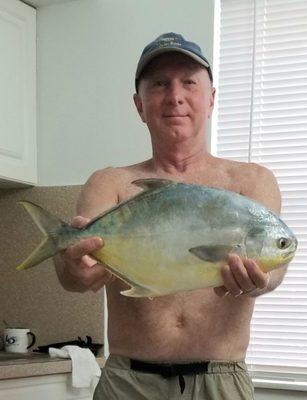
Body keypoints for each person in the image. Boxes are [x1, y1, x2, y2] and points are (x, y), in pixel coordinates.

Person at [54, 33, 287, 400]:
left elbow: (273, 268)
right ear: (139, 105)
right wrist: (73, 267)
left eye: (189, 83)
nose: (175, 96)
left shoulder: (252, 181)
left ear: (211, 100)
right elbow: (73, 274)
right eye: (160, 83)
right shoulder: (110, 183)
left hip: (220, 381)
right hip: (127, 381)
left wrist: (263, 280)